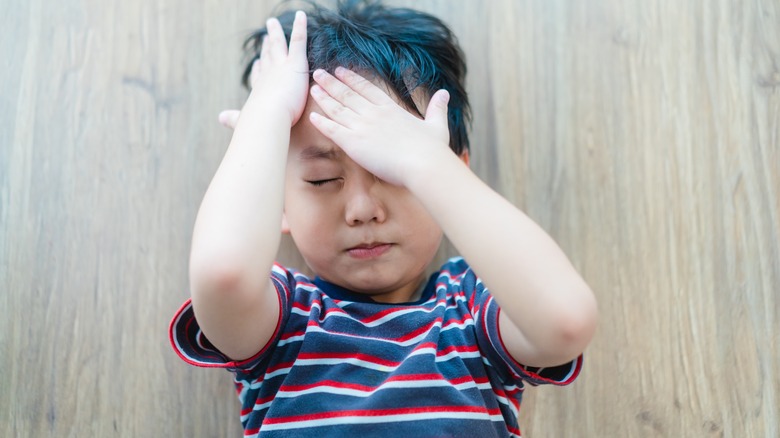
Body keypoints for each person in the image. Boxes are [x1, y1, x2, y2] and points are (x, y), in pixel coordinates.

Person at [169, 1, 598, 436]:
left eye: (393, 173)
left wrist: (428, 166)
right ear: (277, 202)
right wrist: (266, 115)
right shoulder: (283, 321)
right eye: (322, 179)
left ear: (452, 177)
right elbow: (223, 275)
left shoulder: (472, 310)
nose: (362, 210)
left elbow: (565, 321)